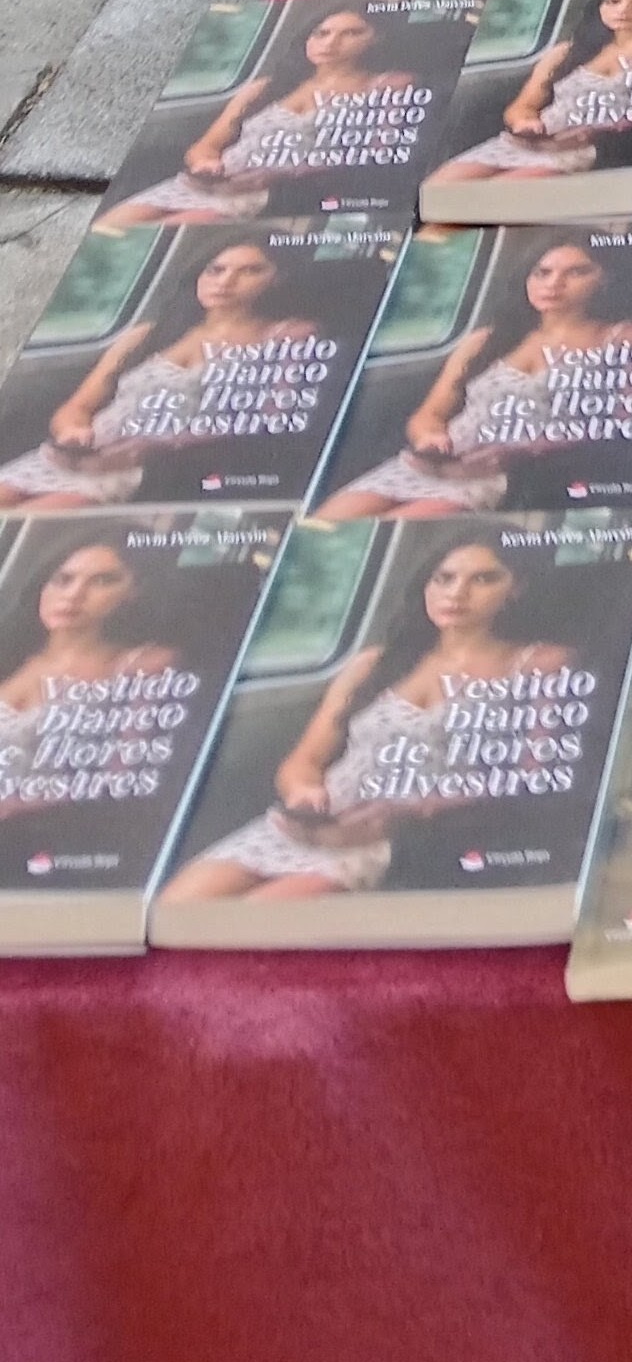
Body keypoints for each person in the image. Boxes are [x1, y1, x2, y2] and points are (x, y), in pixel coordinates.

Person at [166, 536, 564, 902]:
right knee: (179, 906)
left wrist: (407, 814)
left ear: (516, 588)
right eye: (443, 578)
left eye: (483, 579)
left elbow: (534, 776)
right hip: (318, 821)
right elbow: (305, 759)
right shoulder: (374, 663)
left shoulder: (538, 664)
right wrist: (305, 795)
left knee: (252, 917)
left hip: (401, 834)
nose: (457, 592)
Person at [318, 234, 632, 517]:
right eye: (542, 272)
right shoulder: (486, 339)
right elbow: (431, 412)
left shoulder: (627, 337)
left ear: (605, 277)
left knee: (399, 522)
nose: (554, 283)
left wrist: (522, 453)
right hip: (435, 462)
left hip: (504, 472)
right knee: (329, 520)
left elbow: (623, 423)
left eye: (576, 272)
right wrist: (430, 439)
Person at [0, 239, 329, 509]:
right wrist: (72, 432)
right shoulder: (147, 334)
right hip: (73, 454)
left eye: (250, 271)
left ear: (278, 277)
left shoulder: (290, 334)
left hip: (144, 466)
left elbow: (277, 415)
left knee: (36, 513)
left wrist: (152, 446)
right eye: (215, 269)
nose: (225, 281)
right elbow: (80, 405)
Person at [97, 5, 423, 230]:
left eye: (351, 33)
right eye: (321, 33)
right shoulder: (265, 87)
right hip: (211, 181)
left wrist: (277, 175)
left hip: (271, 190)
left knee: (182, 225)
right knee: (113, 224)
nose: (331, 43)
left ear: (376, 37)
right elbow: (207, 145)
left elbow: (381, 152)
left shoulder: (391, 84)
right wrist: (206, 165)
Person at [430, 0, 632, 188]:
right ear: (601, 7)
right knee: (439, 192)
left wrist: (601, 131)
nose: (624, 10)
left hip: (598, 147)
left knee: (491, 199)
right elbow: (525, 105)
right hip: (532, 140)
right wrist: (525, 124)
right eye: (614, 1)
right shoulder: (567, 51)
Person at [0, 539, 177, 807]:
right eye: (62, 579)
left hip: (43, 825)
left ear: (135, 590)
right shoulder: (12, 653)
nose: (74, 594)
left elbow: (120, 779)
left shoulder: (144, 664)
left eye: (102, 581)